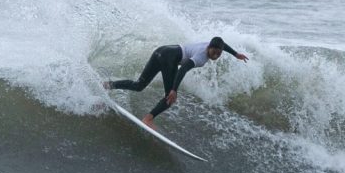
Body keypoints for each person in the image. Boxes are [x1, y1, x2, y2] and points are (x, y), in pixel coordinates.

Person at [104, 36, 249, 128]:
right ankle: (148, 119)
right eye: (213, 52)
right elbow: (183, 69)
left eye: (219, 53)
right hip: (169, 59)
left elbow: (223, 44)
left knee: (139, 85)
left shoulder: (210, 44)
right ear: (209, 48)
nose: (216, 55)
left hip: (161, 51)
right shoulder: (201, 57)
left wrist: (236, 54)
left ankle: (108, 85)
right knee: (170, 99)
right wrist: (174, 90)